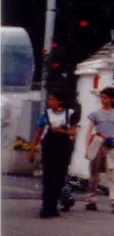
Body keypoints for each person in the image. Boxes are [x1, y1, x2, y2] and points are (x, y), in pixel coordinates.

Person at [32, 88, 77, 219]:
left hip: (63, 147)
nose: (50, 102)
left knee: (59, 177)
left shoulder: (69, 114)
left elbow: (73, 132)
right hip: (49, 146)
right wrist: (32, 149)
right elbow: (38, 131)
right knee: (48, 177)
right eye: (49, 99)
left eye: (53, 99)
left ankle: (54, 204)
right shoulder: (45, 114)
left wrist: (62, 131)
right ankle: (47, 207)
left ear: (60, 101)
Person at [84, 88, 114, 213]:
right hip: (98, 143)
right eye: (101, 97)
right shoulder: (95, 114)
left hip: (111, 144)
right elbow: (89, 131)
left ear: (112, 99)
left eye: (106, 98)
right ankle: (91, 200)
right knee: (94, 173)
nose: (103, 100)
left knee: (112, 172)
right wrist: (87, 147)